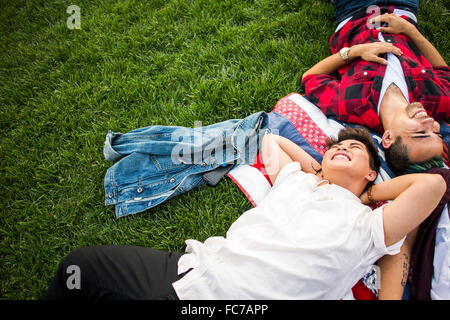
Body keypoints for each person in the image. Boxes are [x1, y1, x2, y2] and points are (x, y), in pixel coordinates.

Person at [44, 127, 445, 299]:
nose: (344, 148)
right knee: (77, 270)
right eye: (337, 145)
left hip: (242, 301)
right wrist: (317, 170)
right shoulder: (295, 180)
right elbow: (272, 139)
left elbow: (433, 184)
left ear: (372, 172)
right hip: (195, 268)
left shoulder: (370, 226)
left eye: (355, 150)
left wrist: (369, 192)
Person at [302, 0, 449, 175]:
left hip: (354, 13)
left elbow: (311, 77)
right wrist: (410, 30)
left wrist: (355, 51)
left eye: (421, 133)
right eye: (437, 134)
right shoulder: (438, 102)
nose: (431, 123)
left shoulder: (352, 105)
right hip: (402, 9)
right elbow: (444, 72)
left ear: (388, 138)